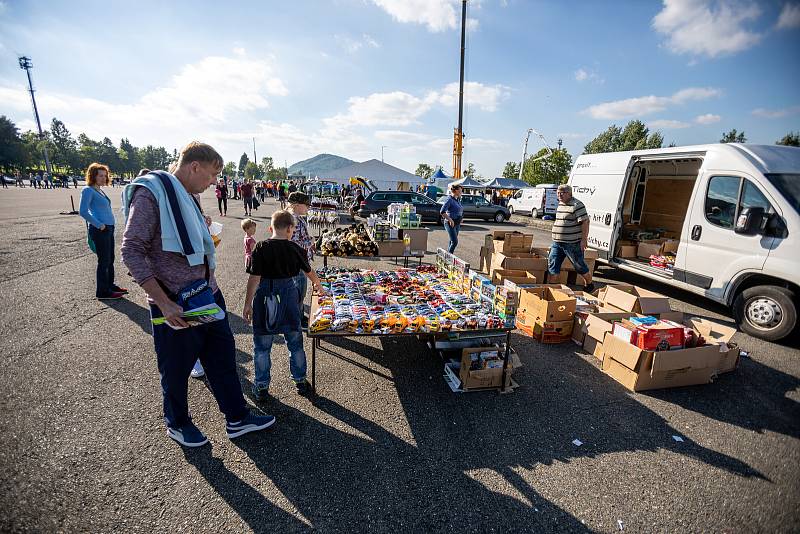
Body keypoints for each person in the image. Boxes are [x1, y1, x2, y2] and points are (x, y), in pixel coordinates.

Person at [121, 141, 275, 448]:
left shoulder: (185, 194)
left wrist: (202, 229)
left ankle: (237, 418)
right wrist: (163, 302)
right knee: (175, 369)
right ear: (194, 166)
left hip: (207, 292)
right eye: (211, 175)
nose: (213, 183)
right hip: (175, 301)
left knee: (221, 359)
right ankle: (177, 424)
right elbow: (131, 249)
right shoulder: (151, 193)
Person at [243, 210, 324, 400]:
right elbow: (309, 272)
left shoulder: (260, 247)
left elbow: (254, 279)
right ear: (290, 229)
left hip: (265, 298)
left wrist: (248, 304)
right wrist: (319, 286)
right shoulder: (295, 248)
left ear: (270, 228)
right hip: (288, 298)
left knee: (262, 347)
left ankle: (261, 386)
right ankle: (300, 381)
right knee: (295, 343)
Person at [79, 163, 127, 300]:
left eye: (105, 175)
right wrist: (99, 225)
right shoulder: (88, 190)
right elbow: (83, 211)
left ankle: (110, 286)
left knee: (110, 259)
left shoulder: (99, 190)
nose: (103, 178)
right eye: (100, 175)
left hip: (108, 229)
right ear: (93, 175)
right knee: (104, 261)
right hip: (100, 230)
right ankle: (102, 291)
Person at [548, 184, 594, 293]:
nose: (559, 195)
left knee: (579, 266)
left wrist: (584, 240)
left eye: (562, 193)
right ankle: (552, 290)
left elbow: (585, 222)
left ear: (569, 193)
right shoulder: (560, 204)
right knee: (552, 265)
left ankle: (589, 284)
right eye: (558, 193)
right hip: (557, 242)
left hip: (572, 243)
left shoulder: (577, 205)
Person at [287, 192, 315, 326]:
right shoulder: (294, 219)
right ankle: (297, 319)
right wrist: (310, 243)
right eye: (306, 205)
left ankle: (299, 315)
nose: (308, 208)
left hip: (299, 261)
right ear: (297, 205)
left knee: (299, 292)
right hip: (297, 263)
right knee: (299, 292)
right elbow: (293, 244)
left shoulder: (297, 218)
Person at [440, 184, 464, 254]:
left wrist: (461, 218)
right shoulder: (449, 199)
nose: (461, 192)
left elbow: (458, 210)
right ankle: (449, 258)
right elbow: (442, 211)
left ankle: (448, 256)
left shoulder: (457, 200)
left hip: (457, 223)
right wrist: (450, 220)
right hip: (450, 223)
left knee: (451, 241)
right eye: (460, 191)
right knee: (455, 242)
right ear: (456, 191)